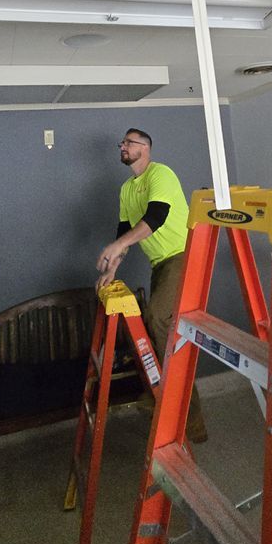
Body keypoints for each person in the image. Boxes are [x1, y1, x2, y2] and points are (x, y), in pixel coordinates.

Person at [96, 128, 207, 443]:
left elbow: (157, 216)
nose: (122, 146)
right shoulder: (126, 189)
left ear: (144, 148)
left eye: (128, 142)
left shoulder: (161, 174)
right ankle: (170, 401)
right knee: (161, 330)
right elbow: (124, 234)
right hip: (160, 264)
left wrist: (118, 246)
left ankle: (183, 413)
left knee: (158, 319)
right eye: (121, 143)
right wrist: (112, 269)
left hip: (183, 256)